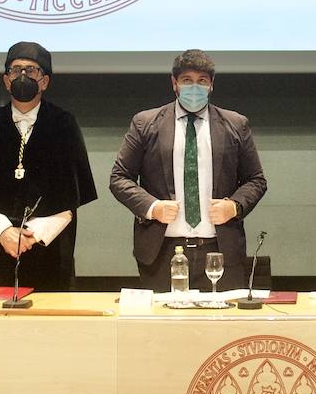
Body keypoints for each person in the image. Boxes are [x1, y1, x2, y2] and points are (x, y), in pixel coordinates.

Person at [110, 49, 268, 292]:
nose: (195, 87)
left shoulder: (236, 124)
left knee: (222, 328)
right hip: (162, 252)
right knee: (163, 327)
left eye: (202, 81)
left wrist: (234, 206)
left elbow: (256, 180)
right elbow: (119, 177)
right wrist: (153, 208)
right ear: (174, 84)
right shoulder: (145, 123)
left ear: (211, 85)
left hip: (219, 251)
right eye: (187, 81)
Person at [0, 42, 97, 290]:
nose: (22, 76)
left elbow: (72, 193)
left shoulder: (63, 126)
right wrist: (3, 232)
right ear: (6, 81)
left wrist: (29, 235)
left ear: (45, 81)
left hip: (47, 246)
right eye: (16, 70)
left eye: (31, 70)